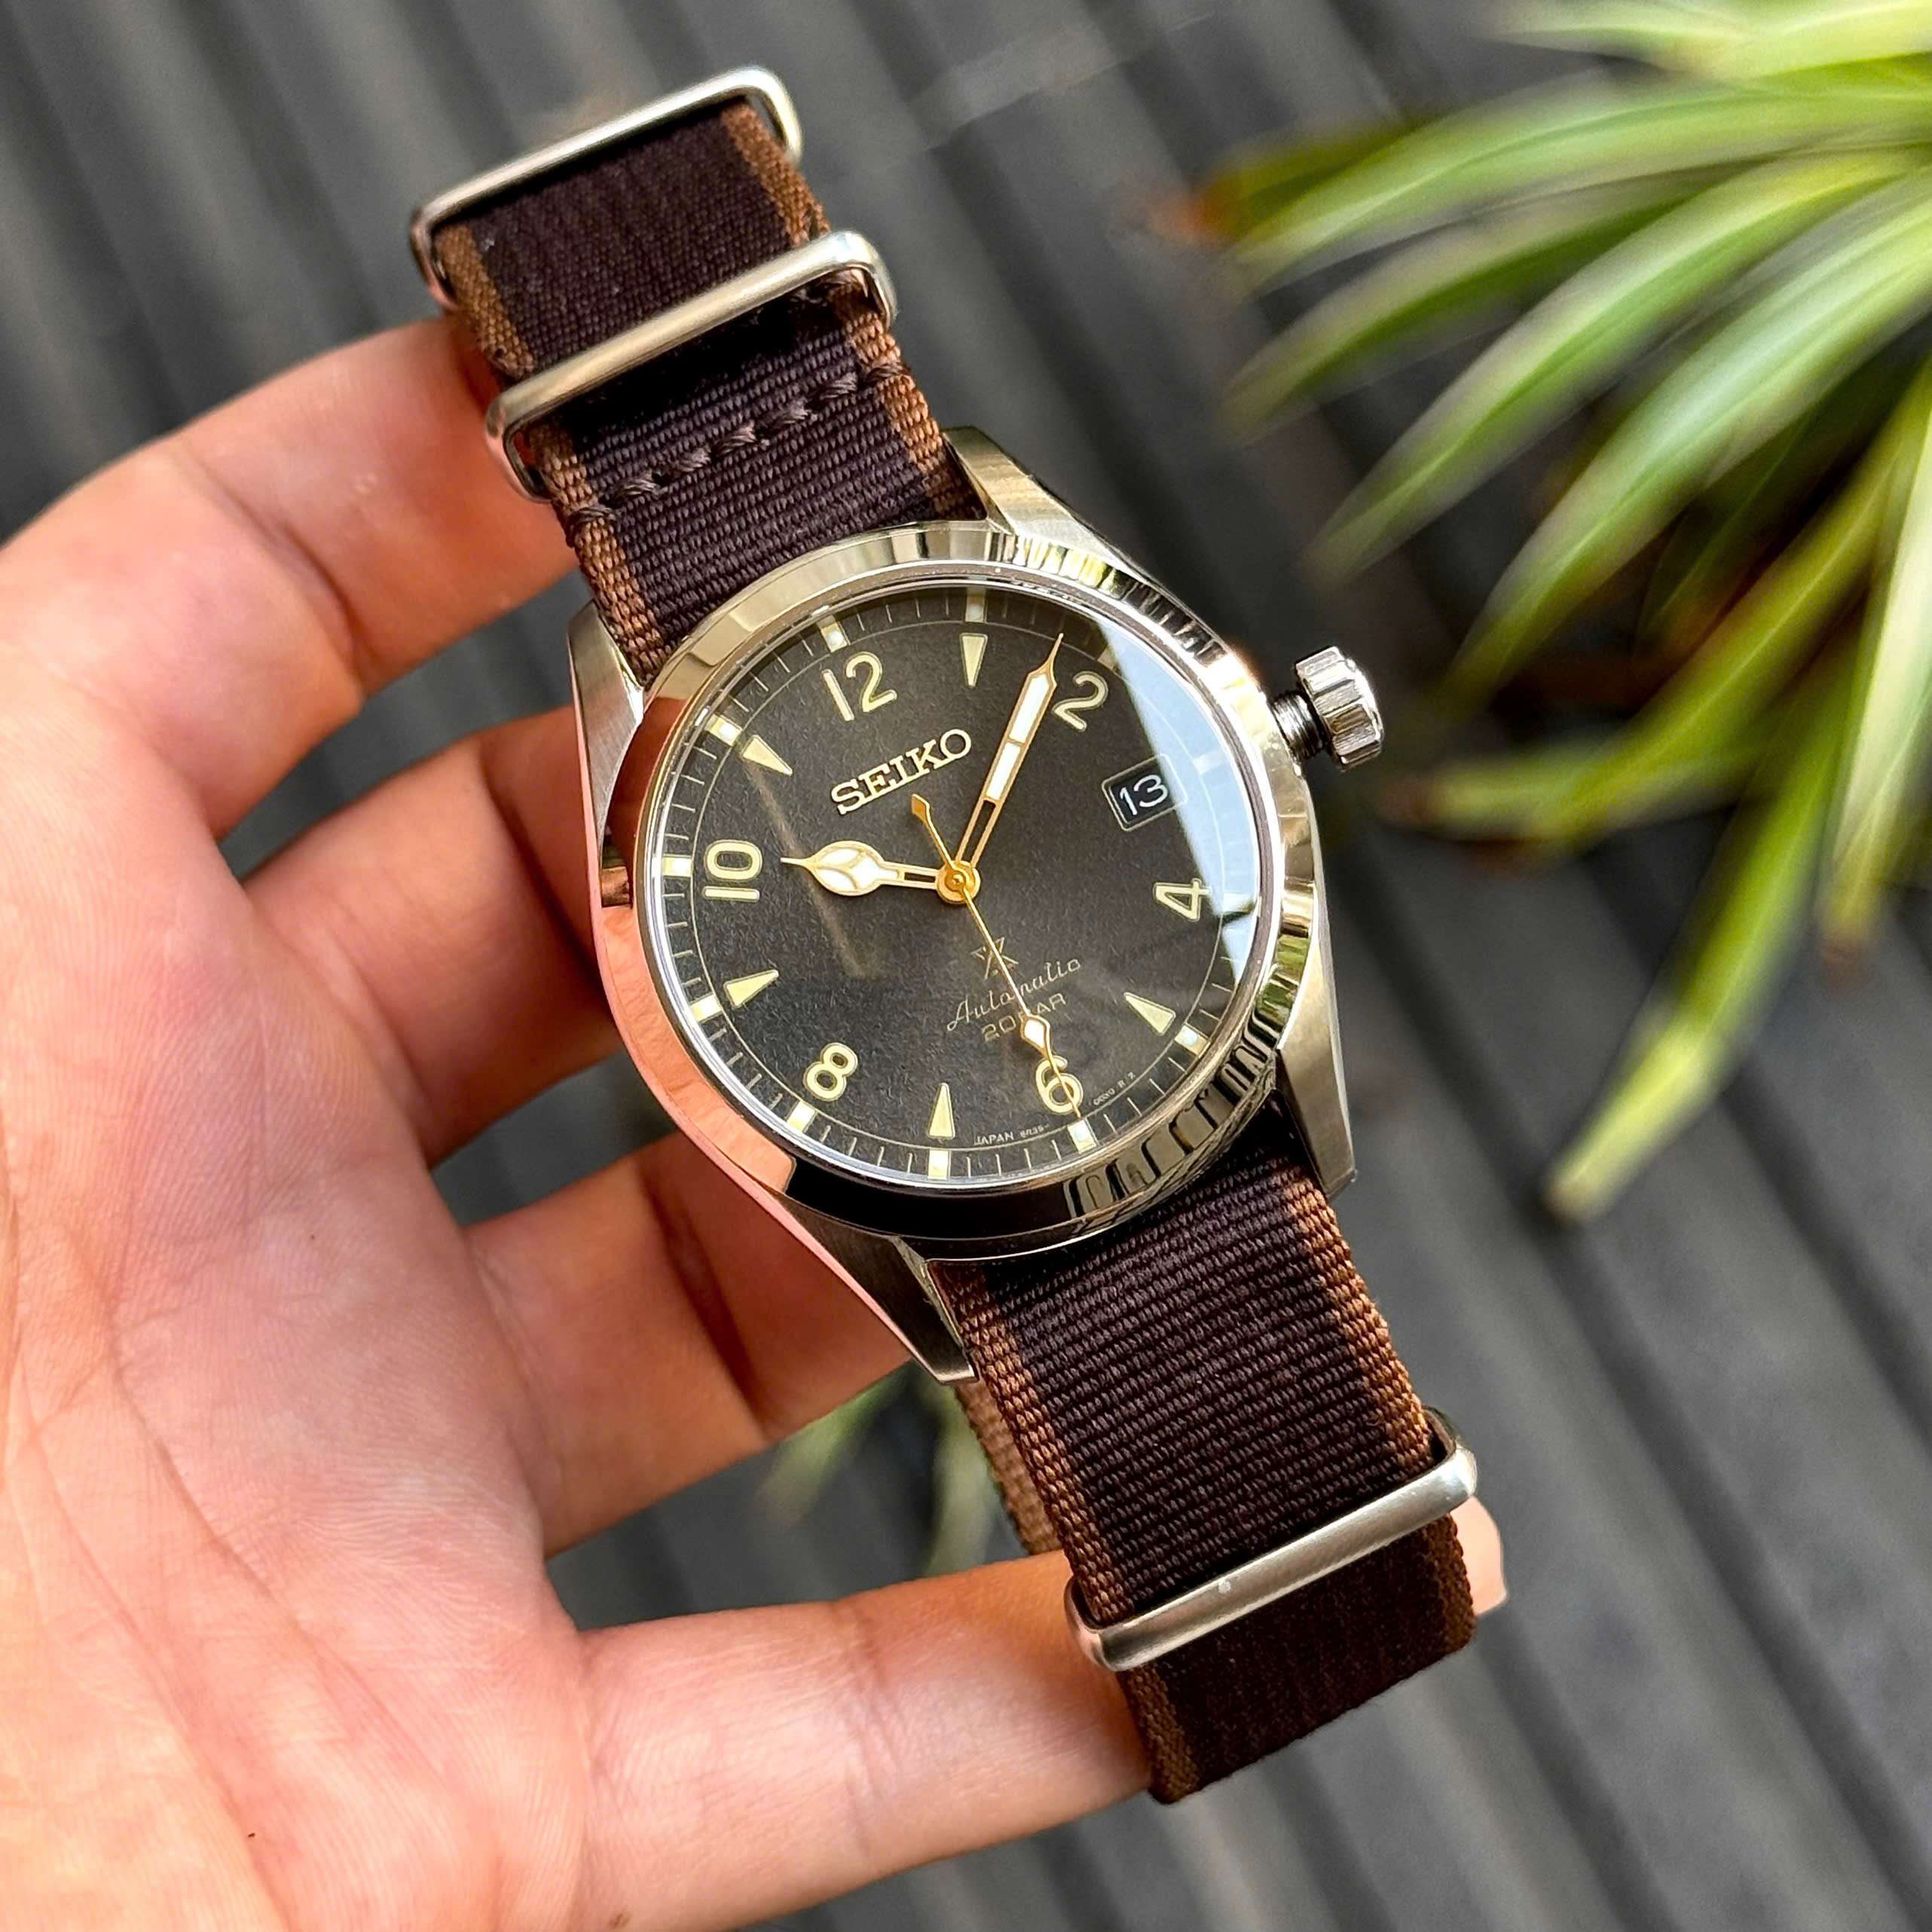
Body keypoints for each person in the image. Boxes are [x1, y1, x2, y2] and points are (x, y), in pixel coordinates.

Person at [0, 319, 1503, 1928]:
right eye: (923, 875)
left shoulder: (993, 533)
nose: (954, 883)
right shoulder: (710, 730)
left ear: (1283, 719)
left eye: (954, 869)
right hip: (961, 1119)